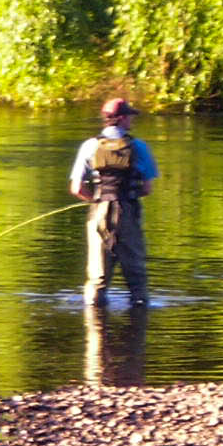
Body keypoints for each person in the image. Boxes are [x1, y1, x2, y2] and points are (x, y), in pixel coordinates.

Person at [69, 97, 157, 306]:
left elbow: (76, 188)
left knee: (97, 277)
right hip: (128, 210)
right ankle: (138, 324)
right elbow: (147, 188)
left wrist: (96, 201)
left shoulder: (89, 146)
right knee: (136, 276)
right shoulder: (139, 147)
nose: (132, 122)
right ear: (123, 118)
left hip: (99, 209)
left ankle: (94, 326)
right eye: (130, 117)